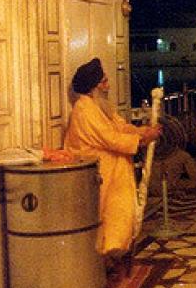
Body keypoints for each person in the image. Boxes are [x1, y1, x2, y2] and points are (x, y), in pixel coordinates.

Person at [63, 58, 161, 262]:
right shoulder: (84, 109)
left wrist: (144, 132)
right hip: (98, 175)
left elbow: (121, 127)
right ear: (94, 87)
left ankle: (112, 257)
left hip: (113, 172)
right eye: (105, 81)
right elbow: (109, 139)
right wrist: (142, 140)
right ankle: (102, 261)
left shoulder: (100, 106)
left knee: (118, 216)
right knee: (107, 218)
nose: (108, 85)